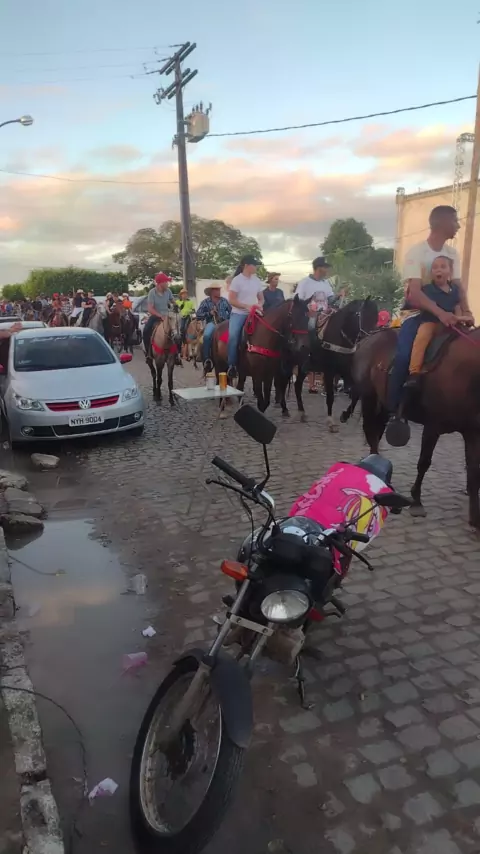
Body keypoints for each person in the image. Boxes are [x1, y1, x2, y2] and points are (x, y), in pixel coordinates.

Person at [388, 205, 473, 417]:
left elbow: (458, 287)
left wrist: (467, 311)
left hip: (449, 316)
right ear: (442, 223)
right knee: (403, 356)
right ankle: (394, 406)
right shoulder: (416, 253)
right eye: (455, 221)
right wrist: (441, 313)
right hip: (419, 315)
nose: (458, 226)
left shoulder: (452, 253)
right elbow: (415, 293)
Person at [406, 256, 473, 386]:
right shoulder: (428, 290)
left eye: (443, 267)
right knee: (422, 337)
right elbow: (425, 305)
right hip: (432, 322)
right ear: (431, 273)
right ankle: (414, 371)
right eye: (435, 268)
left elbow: (457, 307)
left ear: (450, 271)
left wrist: (463, 318)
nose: (438, 270)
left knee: (467, 336)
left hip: (451, 324)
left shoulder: (455, 290)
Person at [295, 256, 334, 393]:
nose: (327, 270)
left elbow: (330, 299)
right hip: (310, 315)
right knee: (311, 327)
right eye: (325, 267)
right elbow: (298, 301)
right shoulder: (305, 283)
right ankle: (310, 357)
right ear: (318, 268)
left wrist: (339, 295)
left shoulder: (326, 283)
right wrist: (308, 310)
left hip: (325, 314)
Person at [227, 255, 264, 377]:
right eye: (254, 265)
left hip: (254, 313)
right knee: (233, 336)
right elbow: (232, 300)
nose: (256, 267)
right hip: (239, 313)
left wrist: (259, 305)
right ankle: (232, 365)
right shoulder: (237, 280)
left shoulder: (256, 280)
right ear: (247, 266)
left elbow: (261, 298)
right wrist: (246, 306)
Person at [197, 284, 231, 365]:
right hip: (212, 323)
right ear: (211, 291)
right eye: (216, 290)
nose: (219, 291)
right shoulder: (205, 302)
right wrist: (209, 313)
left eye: (219, 289)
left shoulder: (224, 301)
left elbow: (231, 312)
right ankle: (207, 359)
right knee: (207, 336)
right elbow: (198, 314)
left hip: (225, 323)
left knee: (234, 336)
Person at [143, 272, 174, 353]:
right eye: (166, 282)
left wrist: (177, 306)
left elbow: (173, 302)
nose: (167, 284)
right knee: (146, 330)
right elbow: (150, 308)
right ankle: (148, 352)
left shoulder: (168, 291)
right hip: (155, 316)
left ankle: (176, 353)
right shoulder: (152, 292)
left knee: (177, 331)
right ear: (160, 283)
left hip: (167, 316)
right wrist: (160, 315)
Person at [175, 287, 195, 356]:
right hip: (179, 317)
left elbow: (193, 310)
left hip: (187, 317)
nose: (185, 295)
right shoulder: (177, 302)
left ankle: (186, 341)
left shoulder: (190, 302)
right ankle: (181, 342)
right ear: (180, 295)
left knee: (185, 328)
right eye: (183, 294)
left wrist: (190, 311)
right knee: (179, 329)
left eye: (186, 294)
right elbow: (175, 310)